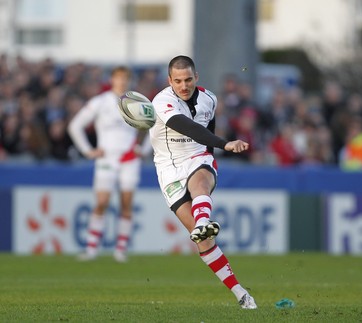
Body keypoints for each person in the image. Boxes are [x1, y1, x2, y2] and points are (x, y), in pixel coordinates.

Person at [149, 55, 257, 309]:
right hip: (167, 168)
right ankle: (241, 293)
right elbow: (184, 125)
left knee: (200, 183)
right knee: (204, 241)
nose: (183, 86)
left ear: (196, 77)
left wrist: (212, 154)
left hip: (198, 156)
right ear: (169, 81)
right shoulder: (162, 100)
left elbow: (204, 134)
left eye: (188, 80)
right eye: (177, 81)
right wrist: (225, 143)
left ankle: (203, 221)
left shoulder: (209, 98)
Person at [68, 66, 145, 262]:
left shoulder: (136, 102)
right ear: (112, 80)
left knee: (126, 203)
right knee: (102, 202)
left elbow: (155, 127)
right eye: (118, 78)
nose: (122, 82)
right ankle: (92, 248)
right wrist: (87, 150)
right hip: (106, 158)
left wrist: (143, 150)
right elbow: (75, 126)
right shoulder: (100, 102)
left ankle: (120, 250)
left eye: (125, 78)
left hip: (129, 158)